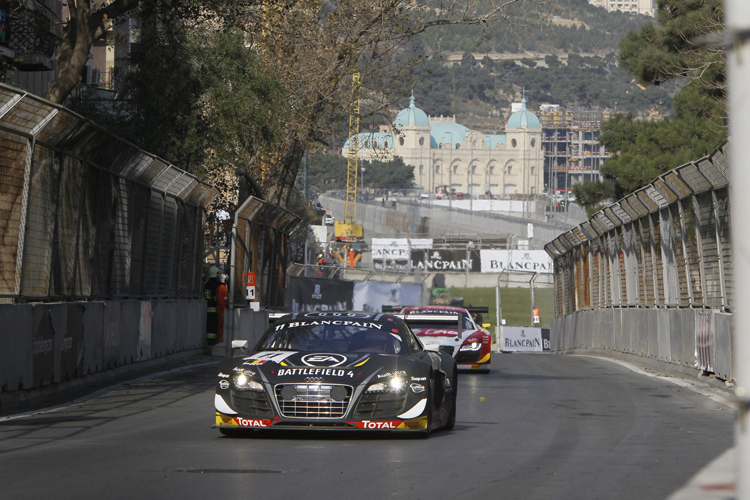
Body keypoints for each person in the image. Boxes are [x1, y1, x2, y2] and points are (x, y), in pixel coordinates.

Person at [203, 266, 220, 345]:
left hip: (207, 308)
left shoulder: (206, 284)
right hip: (216, 308)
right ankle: (214, 340)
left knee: (209, 325)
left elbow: (206, 296)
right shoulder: (217, 284)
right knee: (215, 325)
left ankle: (209, 340)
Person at [216, 273, 229, 344]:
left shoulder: (223, 288)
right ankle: (220, 341)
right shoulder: (221, 288)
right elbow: (221, 301)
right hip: (222, 311)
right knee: (221, 328)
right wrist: (224, 309)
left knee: (223, 327)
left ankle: (221, 340)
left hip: (223, 311)